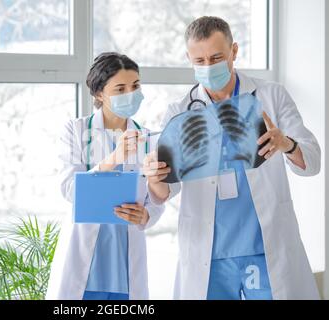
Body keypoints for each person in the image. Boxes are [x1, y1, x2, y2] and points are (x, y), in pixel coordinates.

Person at [143, 16, 321, 300]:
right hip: (210, 254)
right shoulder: (180, 111)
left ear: (234, 51)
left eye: (216, 57)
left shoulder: (271, 95)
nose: (208, 67)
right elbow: (167, 190)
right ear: (188, 58)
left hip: (266, 245)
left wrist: (285, 143)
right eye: (199, 61)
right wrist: (154, 179)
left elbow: (312, 161)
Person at [46, 52, 165, 300]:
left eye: (135, 86)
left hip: (124, 256)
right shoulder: (77, 130)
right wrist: (114, 158)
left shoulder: (148, 138)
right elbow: (70, 190)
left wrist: (147, 214)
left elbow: (156, 197)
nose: (130, 94)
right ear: (99, 94)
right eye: (120, 88)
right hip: (86, 257)